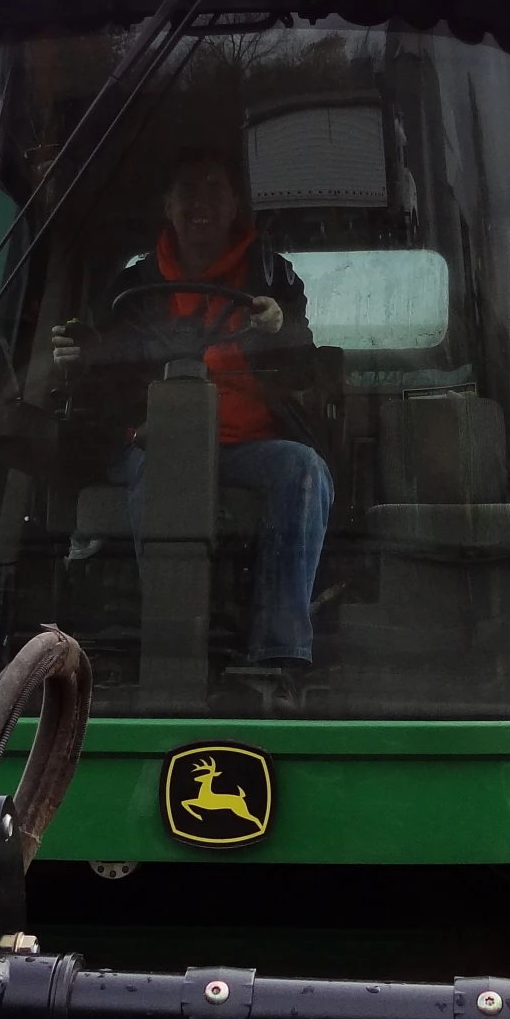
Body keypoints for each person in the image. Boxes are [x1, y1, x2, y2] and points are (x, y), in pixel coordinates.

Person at [52, 148, 333, 671]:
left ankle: (279, 652)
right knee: (163, 467)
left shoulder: (274, 280)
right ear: (168, 204)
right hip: (152, 438)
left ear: (233, 207)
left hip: (245, 446)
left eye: (213, 190)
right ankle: (170, 647)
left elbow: (303, 369)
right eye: (187, 191)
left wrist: (281, 330)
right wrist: (76, 351)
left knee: (305, 470)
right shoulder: (132, 288)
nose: (199, 203)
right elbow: (99, 360)